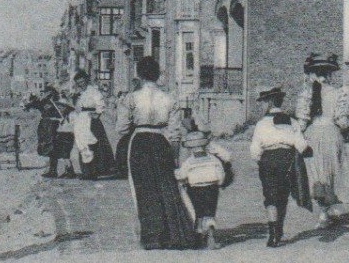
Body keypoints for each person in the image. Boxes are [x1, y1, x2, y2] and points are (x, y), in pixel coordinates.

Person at [120, 55, 199, 249]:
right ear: (157, 75)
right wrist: (175, 156)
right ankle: (173, 234)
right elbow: (175, 133)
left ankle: (152, 236)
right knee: (167, 188)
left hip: (139, 141)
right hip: (161, 142)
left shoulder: (131, 98)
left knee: (143, 188)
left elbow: (121, 127)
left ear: (139, 75)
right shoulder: (169, 99)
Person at [249, 86, 312, 247]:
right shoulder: (292, 122)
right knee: (282, 197)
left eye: (263, 103)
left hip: (268, 159)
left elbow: (255, 150)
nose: (261, 106)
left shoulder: (262, 124)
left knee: (270, 197)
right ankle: (279, 231)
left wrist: (260, 160)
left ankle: (272, 235)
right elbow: (301, 145)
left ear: (269, 102)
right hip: (287, 158)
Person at [300, 52, 349, 227]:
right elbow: (342, 121)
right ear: (329, 74)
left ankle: (323, 212)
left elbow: (302, 121)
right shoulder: (339, 93)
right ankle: (332, 210)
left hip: (313, 135)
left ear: (313, 74)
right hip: (332, 134)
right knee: (332, 171)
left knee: (316, 174)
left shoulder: (307, 94)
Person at [174, 128, 234, 249]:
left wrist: (176, 174)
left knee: (198, 213)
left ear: (190, 147)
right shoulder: (213, 159)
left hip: (195, 189)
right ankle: (211, 230)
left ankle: (198, 237)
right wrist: (220, 183)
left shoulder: (189, 161)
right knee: (210, 211)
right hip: (212, 188)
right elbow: (220, 172)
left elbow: (182, 175)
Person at [70, 71, 116, 179]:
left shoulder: (93, 91)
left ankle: (95, 171)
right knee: (82, 144)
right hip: (81, 119)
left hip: (91, 119)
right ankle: (86, 171)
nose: (81, 84)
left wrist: (97, 113)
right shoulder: (79, 93)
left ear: (86, 80)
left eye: (82, 81)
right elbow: (77, 107)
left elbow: (100, 104)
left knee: (94, 144)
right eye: (78, 83)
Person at [24, 85, 72, 178]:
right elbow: (29, 106)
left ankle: (69, 170)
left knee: (60, 148)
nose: (44, 94)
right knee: (50, 149)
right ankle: (53, 171)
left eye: (46, 93)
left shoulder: (58, 101)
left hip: (56, 126)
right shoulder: (42, 101)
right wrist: (29, 102)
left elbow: (66, 111)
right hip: (46, 127)